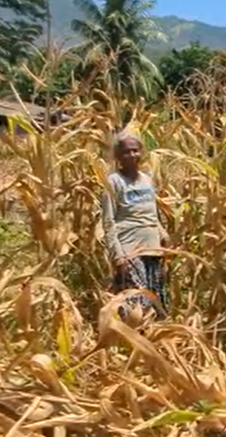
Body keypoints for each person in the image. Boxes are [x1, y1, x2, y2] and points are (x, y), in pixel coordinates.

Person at [100, 127, 170, 319]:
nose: (131, 155)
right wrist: (118, 256)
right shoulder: (113, 183)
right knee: (136, 305)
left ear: (141, 152)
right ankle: (132, 343)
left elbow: (153, 215)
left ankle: (154, 343)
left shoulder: (147, 180)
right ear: (117, 156)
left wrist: (164, 237)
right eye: (125, 151)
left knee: (156, 300)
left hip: (152, 250)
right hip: (130, 250)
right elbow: (108, 221)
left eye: (135, 150)